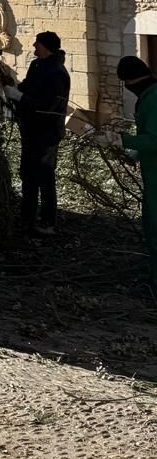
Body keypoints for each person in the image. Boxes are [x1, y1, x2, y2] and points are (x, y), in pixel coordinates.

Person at [3, 31, 70, 237]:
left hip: (47, 133)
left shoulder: (58, 73)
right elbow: (27, 87)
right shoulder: (37, 65)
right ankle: (27, 217)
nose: (33, 45)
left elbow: (48, 106)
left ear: (47, 46)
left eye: (38, 43)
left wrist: (19, 97)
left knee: (45, 176)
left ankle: (48, 221)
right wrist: (13, 89)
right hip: (30, 129)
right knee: (28, 175)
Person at [104, 56, 157, 288]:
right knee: (150, 225)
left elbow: (155, 140)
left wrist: (121, 140)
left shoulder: (154, 100)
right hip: (151, 172)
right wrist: (133, 153)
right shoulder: (148, 96)